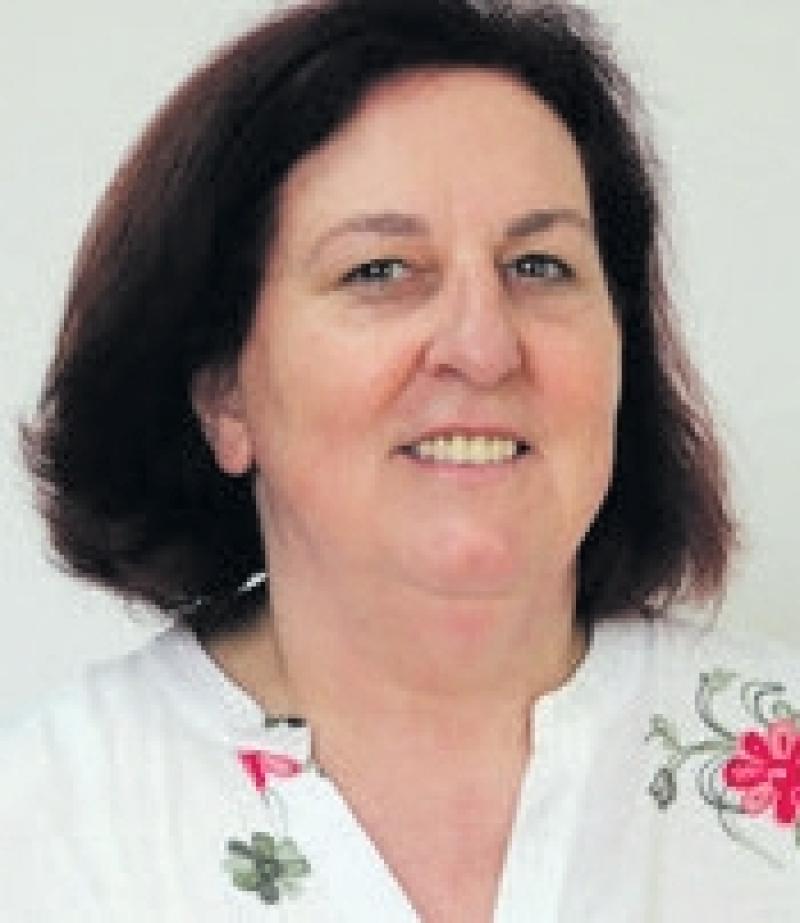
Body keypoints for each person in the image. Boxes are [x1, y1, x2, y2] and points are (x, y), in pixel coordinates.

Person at [2, 0, 799, 919]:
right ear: (224, 392)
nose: (483, 346)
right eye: (379, 270)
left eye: (540, 265)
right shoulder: (46, 833)